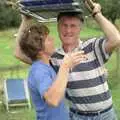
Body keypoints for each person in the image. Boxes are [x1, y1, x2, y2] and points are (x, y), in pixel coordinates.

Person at [15, 1, 120, 120]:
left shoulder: (92, 46)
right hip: (77, 116)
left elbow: (116, 39)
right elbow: (19, 53)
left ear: (80, 28)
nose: (68, 30)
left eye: (73, 26)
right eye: (64, 25)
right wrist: (25, 20)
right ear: (58, 27)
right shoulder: (52, 58)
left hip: (105, 115)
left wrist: (97, 14)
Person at [18, 21, 87, 120]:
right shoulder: (39, 70)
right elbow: (53, 100)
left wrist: (25, 20)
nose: (53, 39)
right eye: (49, 40)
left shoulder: (46, 66)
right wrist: (65, 66)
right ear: (40, 50)